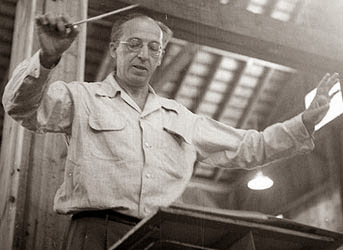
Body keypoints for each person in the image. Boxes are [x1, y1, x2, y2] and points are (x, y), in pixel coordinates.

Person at [2, 11, 339, 250]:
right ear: (114, 49)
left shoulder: (181, 117)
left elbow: (251, 147)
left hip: (160, 238)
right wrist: (46, 60)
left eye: (153, 48)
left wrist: (306, 121)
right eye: (133, 44)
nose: (143, 54)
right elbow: (21, 107)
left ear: (161, 57)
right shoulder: (83, 97)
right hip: (93, 234)